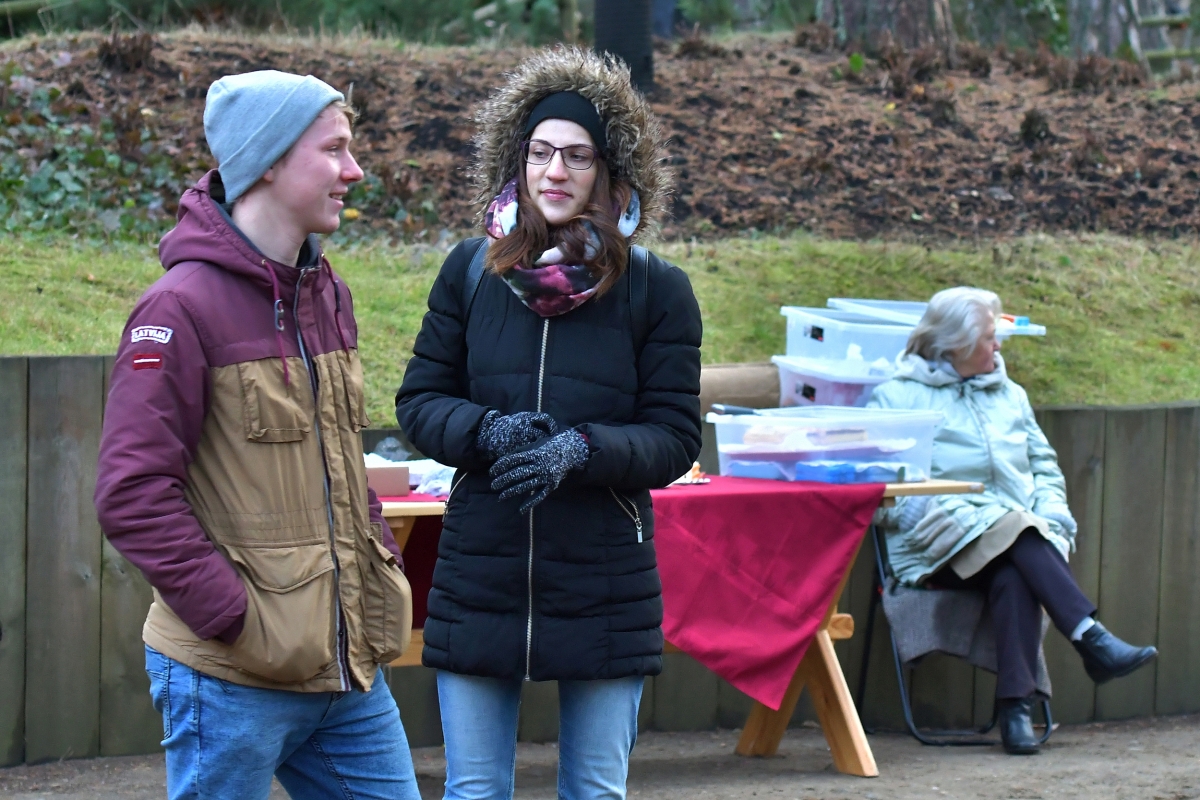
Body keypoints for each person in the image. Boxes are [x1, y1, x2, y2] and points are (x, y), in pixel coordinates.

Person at [94, 71, 420, 800]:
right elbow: (131, 492)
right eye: (333, 149)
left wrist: (377, 563)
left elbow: (341, 461)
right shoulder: (178, 309)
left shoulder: (327, 294)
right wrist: (232, 616)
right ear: (268, 160)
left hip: (345, 665)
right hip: (230, 675)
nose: (353, 171)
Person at [395, 47, 702, 799]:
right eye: (539, 153)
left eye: (576, 155)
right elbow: (420, 402)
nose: (554, 171)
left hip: (604, 580)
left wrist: (581, 449)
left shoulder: (657, 290)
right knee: (474, 792)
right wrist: (485, 432)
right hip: (482, 571)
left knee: (594, 792)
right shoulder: (471, 272)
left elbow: (673, 437)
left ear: (610, 170)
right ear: (517, 161)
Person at [868, 287, 1157, 756]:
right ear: (955, 345)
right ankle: (1089, 637)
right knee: (1018, 529)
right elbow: (882, 490)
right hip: (937, 546)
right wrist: (938, 512)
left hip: (1019, 542)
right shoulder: (895, 398)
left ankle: (1015, 709)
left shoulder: (1011, 395)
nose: (998, 346)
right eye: (988, 337)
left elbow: (1044, 467)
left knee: (1015, 570)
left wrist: (1052, 517)